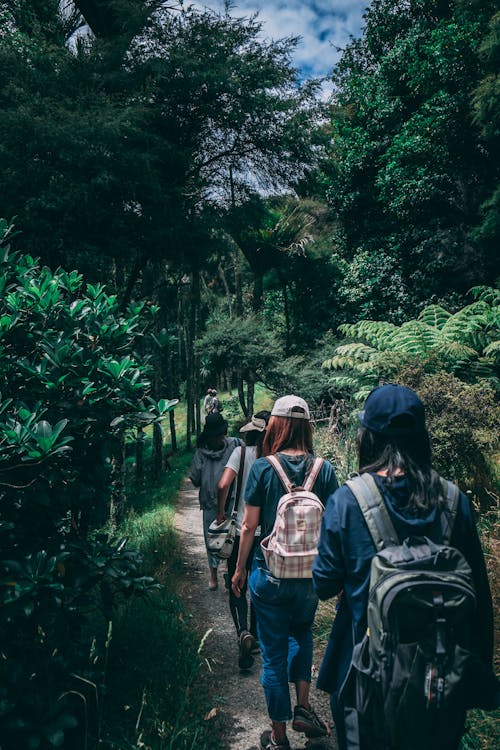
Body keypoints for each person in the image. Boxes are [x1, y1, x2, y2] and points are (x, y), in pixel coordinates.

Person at [312, 383, 496, 750]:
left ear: (368, 437)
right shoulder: (453, 500)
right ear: (421, 438)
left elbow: (324, 583)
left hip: (365, 680)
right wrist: (477, 674)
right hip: (440, 679)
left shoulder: (348, 501)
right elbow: (479, 598)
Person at [232, 395, 338, 750]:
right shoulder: (324, 469)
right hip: (310, 575)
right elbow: (335, 524)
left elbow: (248, 527)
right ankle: (304, 708)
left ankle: (278, 737)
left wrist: (240, 569)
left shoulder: (264, 467)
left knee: (273, 653)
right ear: (307, 426)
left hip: (270, 572)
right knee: (302, 634)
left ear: (274, 425)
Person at [217, 410, 271, 671]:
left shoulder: (240, 454)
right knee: (257, 584)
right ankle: (257, 635)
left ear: (250, 432)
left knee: (236, 583)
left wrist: (220, 511)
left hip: (240, 530)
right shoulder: (274, 460)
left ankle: (242, 631)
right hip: (267, 536)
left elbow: (222, 484)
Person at [188, 412, 241, 590]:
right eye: (216, 435)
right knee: (211, 539)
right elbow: (194, 478)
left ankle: (228, 571)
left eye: (221, 435)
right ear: (210, 436)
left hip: (232, 501)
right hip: (210, 503)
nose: (220, 438)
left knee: (231, 537)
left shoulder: (235, 445)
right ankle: (213, 576)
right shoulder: (201, 453)